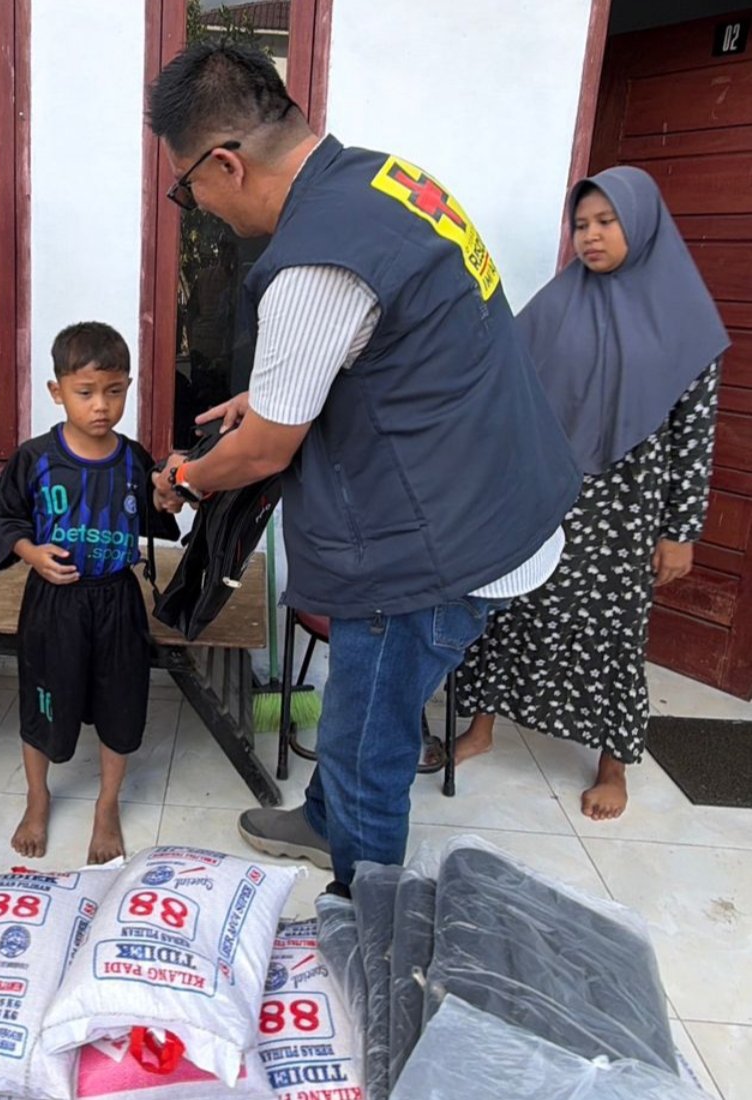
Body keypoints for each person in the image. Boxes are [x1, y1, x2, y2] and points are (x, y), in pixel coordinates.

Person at [146, 43, 582, 893]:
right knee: (355, 705)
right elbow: (397, 351)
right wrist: (268, 398)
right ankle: (320, 820)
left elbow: (269, 448)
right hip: (489, 495)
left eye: (185, 186)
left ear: (226, 163)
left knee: (375, 742)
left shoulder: (315, 258)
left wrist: (190, 478)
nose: (192, 205)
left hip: (429, 548)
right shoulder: (387, 182)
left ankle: (364, 908)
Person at [453, 167, 728, 820]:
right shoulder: (558, 303)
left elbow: (695, 435)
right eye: (581, 225)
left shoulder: (687, 321)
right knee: (511, 609)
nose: (590, 237)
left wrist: (680, 530)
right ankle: (482, 728)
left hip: (630, 509)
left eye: (607, 223)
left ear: (642, 224)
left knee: (613, 631)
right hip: (546, 492)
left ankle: (614, 766)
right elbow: (507, 387)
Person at [0, 322, 179, 864]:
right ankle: (37, 797)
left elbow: (157, 512)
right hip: (54, 605)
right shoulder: (35, 458)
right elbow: (7, 519)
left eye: (115, 391)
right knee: (43, 699)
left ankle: (107, 805)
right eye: (86, 392)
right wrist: (30, 553)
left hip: (117, 600)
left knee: (122, 705)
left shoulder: (133, 459)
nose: (102, 406)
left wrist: (168, 501)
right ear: (57, 392)